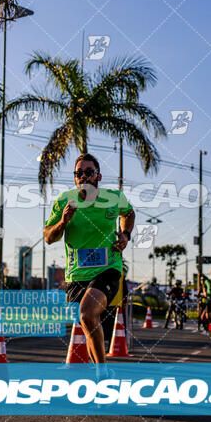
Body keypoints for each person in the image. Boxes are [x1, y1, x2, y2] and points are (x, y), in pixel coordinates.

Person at [44, 153, 135, 373]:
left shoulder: (113, 197)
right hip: (77, 275)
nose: (83, 176)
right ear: (75, 178)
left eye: (88, 172)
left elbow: (129, 213)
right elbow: (48, 237)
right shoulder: (65, 201)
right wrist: (63, 222)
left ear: (98, 176)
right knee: (89, 321)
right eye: (78, 173)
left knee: (87, 313)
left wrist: (125, 234)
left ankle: (101, 372)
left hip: (108, 268)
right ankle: (102, 368)